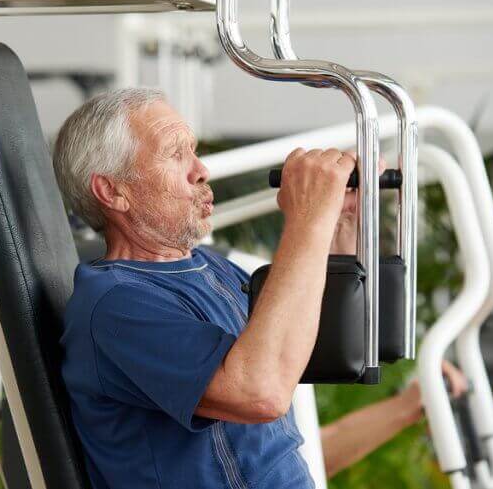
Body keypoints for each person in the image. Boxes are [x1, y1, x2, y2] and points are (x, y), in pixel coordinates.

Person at [53, 88, 466, 489]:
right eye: (175, 154)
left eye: (193, 151)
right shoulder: (116, 307)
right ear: (112, 192)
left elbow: (313, 345)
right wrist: (305, 217)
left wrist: (337, 220)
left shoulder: (209, 266)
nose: (200, 170)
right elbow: (261, 392)